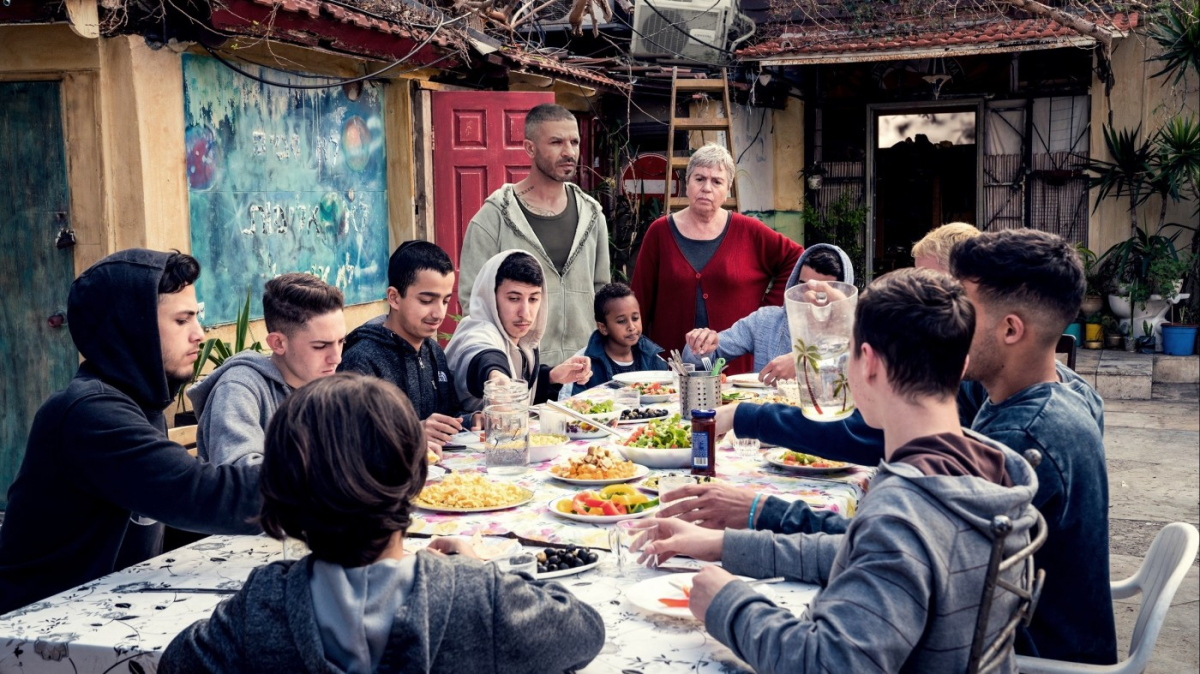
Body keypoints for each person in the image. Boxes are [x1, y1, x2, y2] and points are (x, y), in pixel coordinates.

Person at [659, 229, 1114, 665]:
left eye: (965, 309)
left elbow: (834, 658)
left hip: (1034, 653)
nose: (949, 323)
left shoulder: (1018, 442)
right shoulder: (1016, 429)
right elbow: (888, 551)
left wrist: (729, 601)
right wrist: (742, 533)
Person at [158, 373, 605, 673]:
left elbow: (175, 663)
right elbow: (584, 631)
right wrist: (483, 569)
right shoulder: (477, 595)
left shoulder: (260, 607)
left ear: (279, 487)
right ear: (416, 479)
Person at [0, 250, 263, 614]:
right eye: (182, 320)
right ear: (132, 328)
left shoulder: (137, 403)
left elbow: (162, 517)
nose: (199, 335)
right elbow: (194, 492)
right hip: (35, 630)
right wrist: (326, 488)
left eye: (196, 318)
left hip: (102, 609)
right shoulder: (90, 413)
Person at [458, 103, 610, 368]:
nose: (569, 152)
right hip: (521, 371)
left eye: (574, 142)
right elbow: (474, 301)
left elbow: (602, 292)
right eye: (556, 142)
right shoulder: (495, 216)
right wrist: (499, 365)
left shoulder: (592, 214)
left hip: (585, 369)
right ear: (530, 148)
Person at [631, 143, 802, 375]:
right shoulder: (659, 232)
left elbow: (797, 259)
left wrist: (766, 312)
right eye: (699, 179)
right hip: (671, 368)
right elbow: (639, 299)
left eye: (717, 181)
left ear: (728, 188)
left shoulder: (749, 231)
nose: (706, 188)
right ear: (687, 183)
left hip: (735, 370)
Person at [189, 273, 345, 466]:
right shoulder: (238, 388)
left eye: (341, 342)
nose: (337, 358)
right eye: (320, 346)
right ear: (278, 343)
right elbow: (240, 473)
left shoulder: (327, 387)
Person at [339, 241, 477, 455]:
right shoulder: (361, 360)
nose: (438, 313)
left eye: (445, 301)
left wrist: (472, 420)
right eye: (426, 300)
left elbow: (444, 417)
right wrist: (411, 434)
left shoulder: (433, 351)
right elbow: (349, 443)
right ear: (394, 297)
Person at [683, 243, 853, 385]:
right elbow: (705, 360)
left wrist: (803, 362)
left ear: (842, 294)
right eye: (802, 286)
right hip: (764, 416)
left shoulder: (857, 334)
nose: (809, 295)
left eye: (821, 292)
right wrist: (701, 346)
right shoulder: (766, 320)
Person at [446, 250, 592, 411]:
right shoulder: (477, 330)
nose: (525, 313)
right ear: (490, 296)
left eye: (533, 299)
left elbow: (522, 396)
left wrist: (552, 377)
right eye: (514, 299)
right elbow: (483, 355)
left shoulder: (523, 341)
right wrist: (497, 377)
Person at [573, 282, 668, 392]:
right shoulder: (583, 364)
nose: (631, 327)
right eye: (621, 321)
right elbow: (568, 404)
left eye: (635, 318)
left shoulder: (654, 360)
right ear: (603, 327)